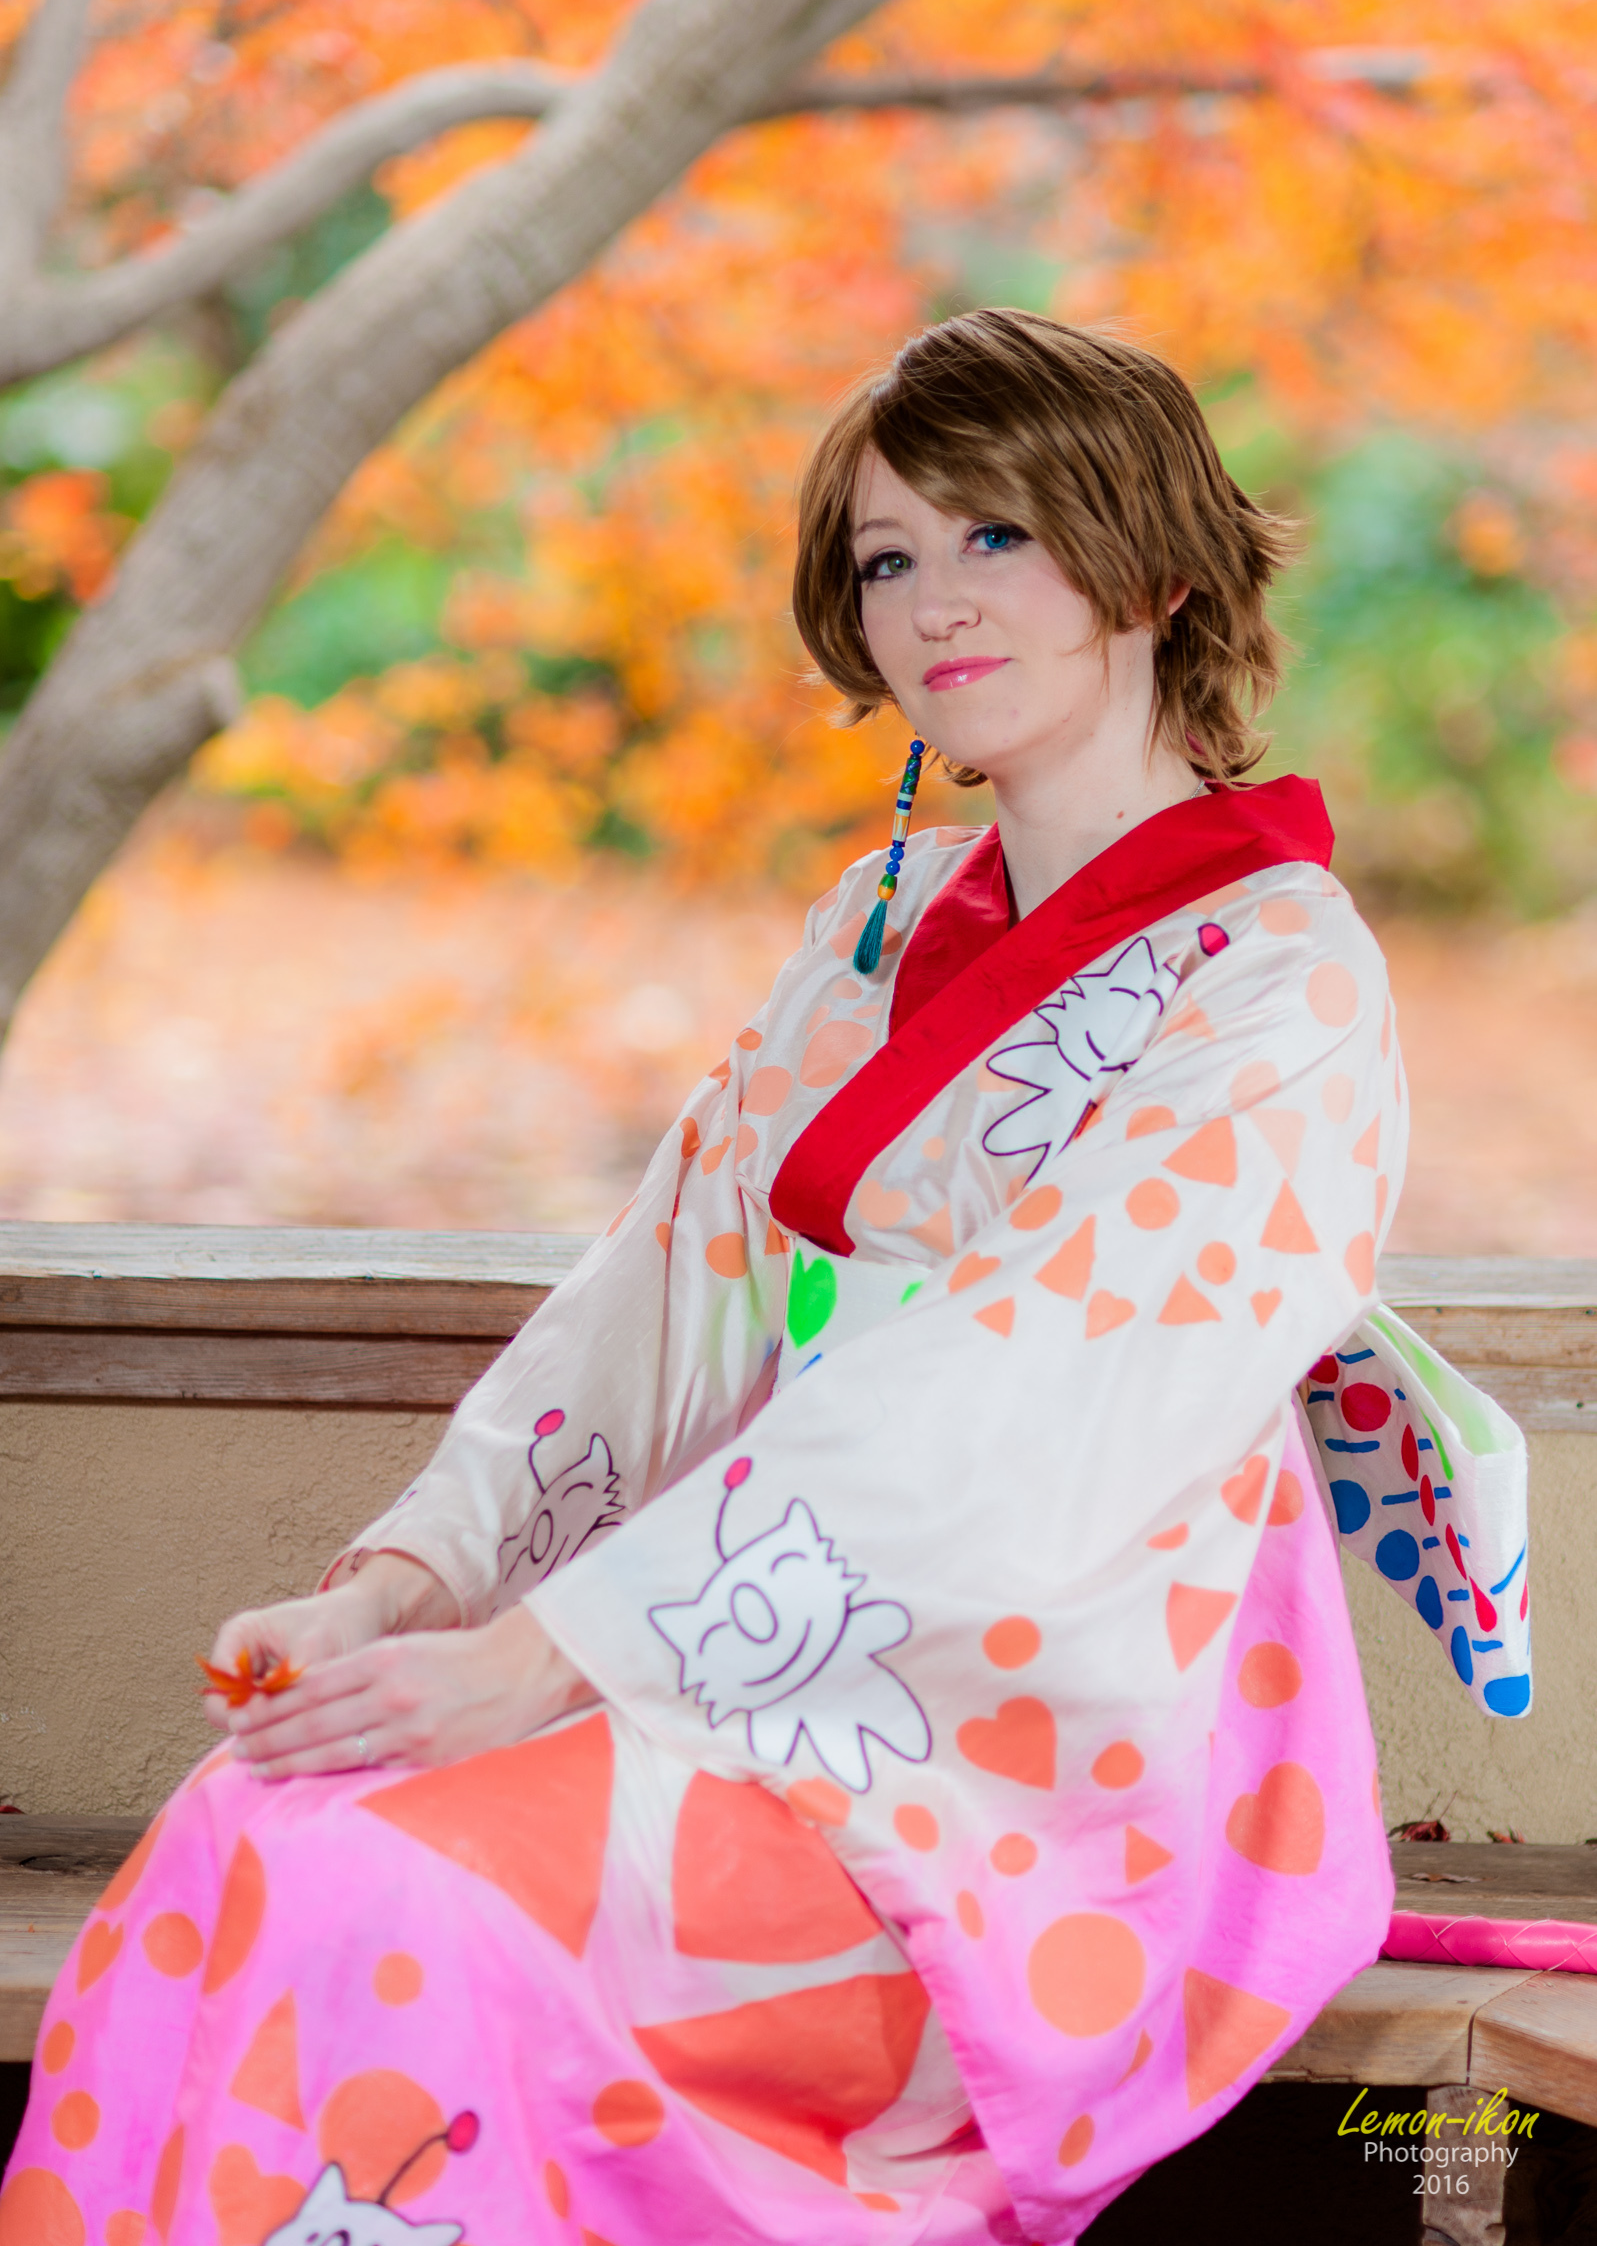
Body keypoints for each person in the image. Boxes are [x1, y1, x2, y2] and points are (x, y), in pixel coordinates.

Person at [1, 311, 1517, 2246]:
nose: (932, 605)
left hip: (1037, 1723)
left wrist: (551, 1658)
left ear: (1154, 569)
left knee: (406, 1896)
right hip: (749, 1631)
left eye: (997, 537)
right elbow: (655, 1296)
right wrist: (410, 1587)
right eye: (888, 557)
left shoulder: (1281, 976)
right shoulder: (873, 919)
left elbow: (1005, 1400)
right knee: (251, 1820)